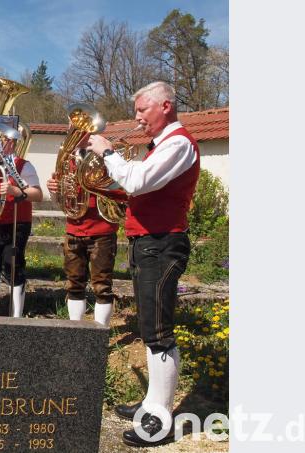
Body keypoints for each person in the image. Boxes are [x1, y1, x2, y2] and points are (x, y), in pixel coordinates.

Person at [86, 81, 199, 447]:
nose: (136, 118)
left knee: (158, 332)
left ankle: (160, 420)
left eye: (142, 110)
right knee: (152, 330)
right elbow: (137, 186)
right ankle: (152, 402)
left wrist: (106, 153)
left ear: (165, 106)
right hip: (147, 243)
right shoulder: (160, 146)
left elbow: (138, 181)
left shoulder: (179, 143)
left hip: (163, 244)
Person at [0, 136, 42, 317]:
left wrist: (16, 191)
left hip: (17, 223)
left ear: (12, 143)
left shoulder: (23, 165)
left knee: (14, 267)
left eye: (2, 141)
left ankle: (17, 315)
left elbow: (37, 194)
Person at [46, 169, 118, 326]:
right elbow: (59, 202)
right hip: (73, 229)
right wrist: (54, 190)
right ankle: (75, 331)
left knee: (102, 286)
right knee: (74, 284)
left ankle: (100, 333)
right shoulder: (69, 163)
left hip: (102, 230)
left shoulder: (107, 157)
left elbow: (120, 188)